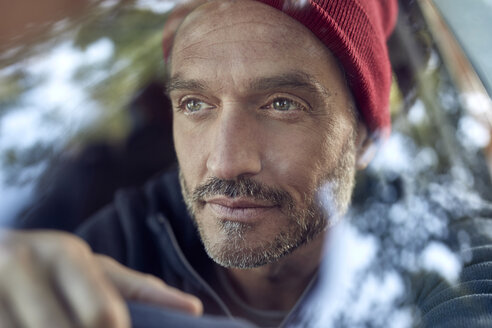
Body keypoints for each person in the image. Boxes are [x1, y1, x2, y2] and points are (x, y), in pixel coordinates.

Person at [1, 0, 491, 327]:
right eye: (195, 104)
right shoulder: (118, 244)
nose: (227, 160)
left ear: (361, 138)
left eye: (281, 103)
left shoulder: (438, 246)